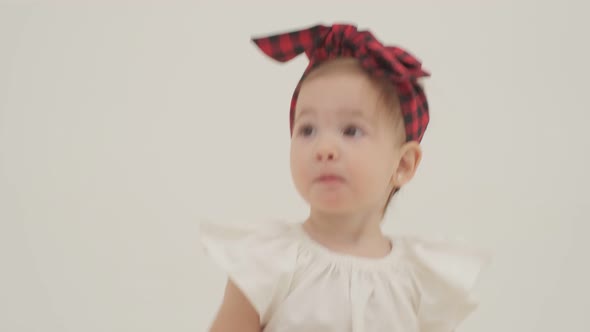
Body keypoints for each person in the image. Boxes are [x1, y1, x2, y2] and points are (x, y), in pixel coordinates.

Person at [198, 23, 490, 332]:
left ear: (403, 165)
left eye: (351, 131)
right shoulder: (268, 262)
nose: (324, 148)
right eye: (307, 130)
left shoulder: (419, 279)